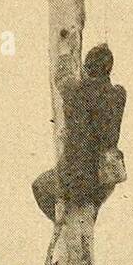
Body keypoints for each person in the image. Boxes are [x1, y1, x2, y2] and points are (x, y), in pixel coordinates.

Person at [32, 43, 127, 223]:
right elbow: (100, 92)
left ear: (87, 68)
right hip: (105, 177)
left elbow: (61, 79)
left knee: (40, 186)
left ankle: (63, 223)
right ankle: (85, 219)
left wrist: (65, 54)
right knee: (90, 206)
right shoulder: (119, 95)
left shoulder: (77, 91)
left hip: (76, 178)